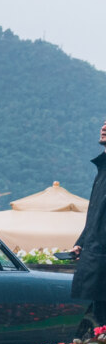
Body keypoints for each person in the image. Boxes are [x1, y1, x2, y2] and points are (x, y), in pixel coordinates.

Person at [74, 118, 106, 320]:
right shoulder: (102, 169)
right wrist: (81, 243)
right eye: (104, 123)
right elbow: (96, 215)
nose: (103, 128)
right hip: (96, 259)